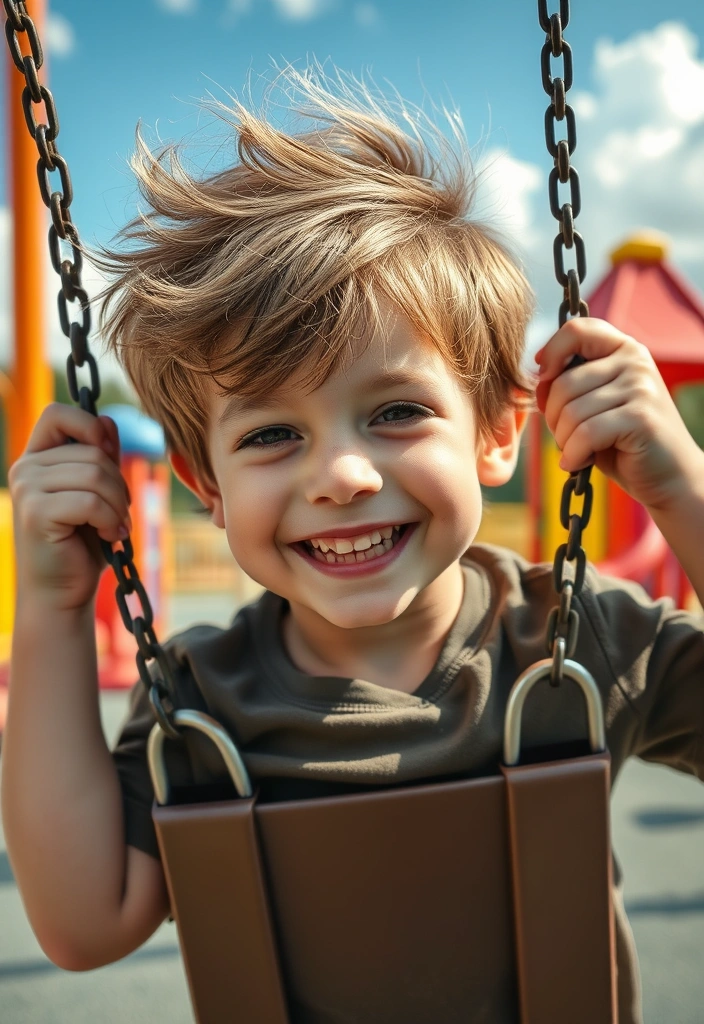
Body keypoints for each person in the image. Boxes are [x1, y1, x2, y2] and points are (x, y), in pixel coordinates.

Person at [2, 67, 703, 1024]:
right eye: (270, 434)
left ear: (499, 432)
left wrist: (684, 487)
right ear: (206, 483)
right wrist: (47, 609)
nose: (341, 475)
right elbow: (82, 925)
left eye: (397, 411)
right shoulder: (201, 705)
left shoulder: (574, 644)